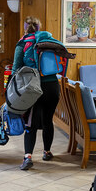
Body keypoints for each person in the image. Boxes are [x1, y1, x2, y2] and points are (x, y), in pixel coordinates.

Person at [13, 16, 60, 170]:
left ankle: (28, 157)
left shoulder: (23, 43)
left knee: (31, 122)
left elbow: (16, 67)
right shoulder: (49, 41)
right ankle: (47, 152)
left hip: (34, 87)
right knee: (48, 120)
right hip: (53, 86)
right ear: (40, 27)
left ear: (25, 27)